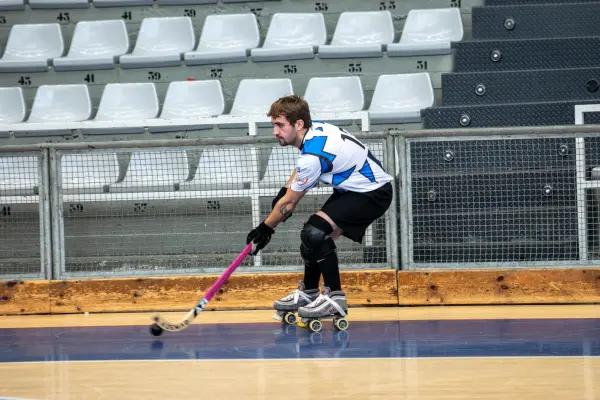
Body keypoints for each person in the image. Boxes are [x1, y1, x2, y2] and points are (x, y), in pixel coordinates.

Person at [246, 94, 393, 325]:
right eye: (274, 125)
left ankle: (335, 298)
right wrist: (284, 190)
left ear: (298, 124)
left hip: (372, 194)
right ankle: (310, 293)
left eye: (279, 125)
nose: (275, 132)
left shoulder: (313, 155)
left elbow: (289, 204)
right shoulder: (316, 132)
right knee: (312, 237)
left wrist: (266, 228)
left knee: (315, 233)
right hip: (354, 191)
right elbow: (299, 173)